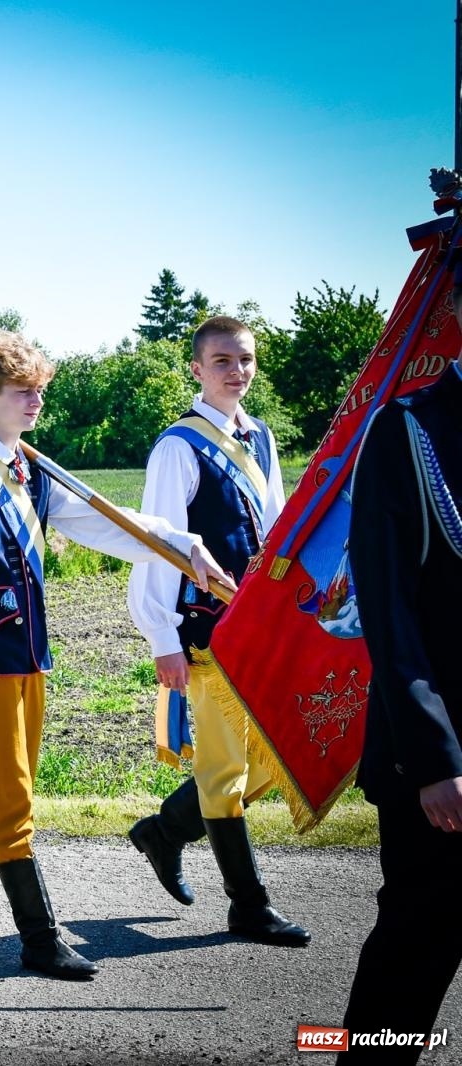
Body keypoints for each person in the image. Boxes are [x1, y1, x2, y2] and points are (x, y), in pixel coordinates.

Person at [0, 330, 231, 980]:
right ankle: (40, 939)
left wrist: (179, 541)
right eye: (22, 391)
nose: (35, 402)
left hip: (27, 658)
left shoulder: (31, 472)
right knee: (10, 798)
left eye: (40, 391)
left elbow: (108, 524)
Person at [124, 315, 310, 947]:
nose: (238, 371)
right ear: (198, 370)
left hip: (256, 626)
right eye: (223, 361)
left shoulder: (260, 439)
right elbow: (156, 546)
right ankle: (248, 906)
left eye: (247, 359)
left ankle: (165, 831)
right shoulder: (177, 446)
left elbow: (278, 527)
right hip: (205, 634)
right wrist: (163, 641)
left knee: (266, 758)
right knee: (227, 767)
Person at [338, 287, 462, 1064]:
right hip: (443, 763)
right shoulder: (407, 428)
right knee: (409, 973)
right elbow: (389, 611)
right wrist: (435, 757)